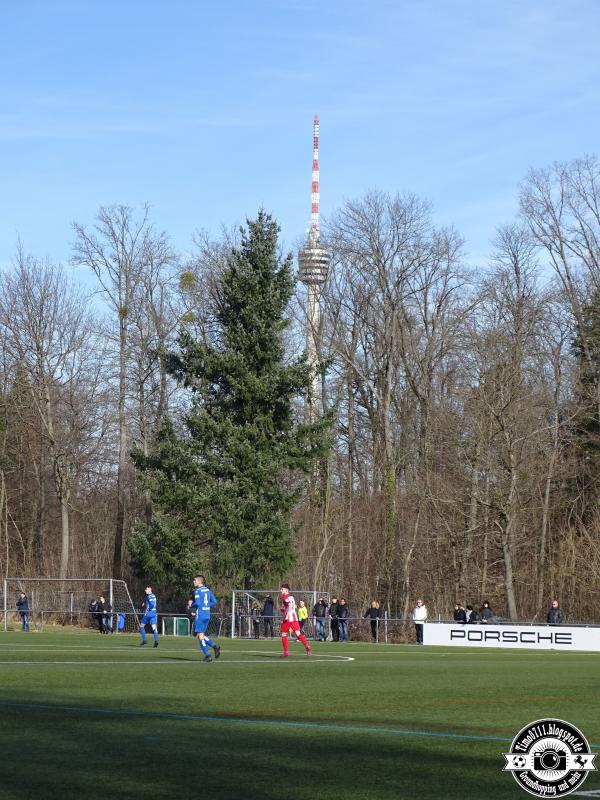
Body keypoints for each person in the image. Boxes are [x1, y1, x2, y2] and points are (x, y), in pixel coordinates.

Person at [188, 575, 220, 662]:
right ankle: (215, 647)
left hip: (201, 615)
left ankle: (208, 655)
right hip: (207, 614)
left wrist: (191, 605)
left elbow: (197, 603)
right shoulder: (208, 590)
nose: (193, 582)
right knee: (201, 634)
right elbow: (214, 601)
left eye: (194, 580)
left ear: (199, 581)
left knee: (200, 635)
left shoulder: (197, 591)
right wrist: (206, 606)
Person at [279, 583, 311, 658]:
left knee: (284, 634)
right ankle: (307, 646)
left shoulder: (285, 597)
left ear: (286, 590)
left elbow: (290, 605)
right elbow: (294, 606)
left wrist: (287, 615)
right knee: (298, 633)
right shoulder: (291, 596)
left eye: (282, 589)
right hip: (294, 618)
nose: (281, 590)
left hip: (288, 619)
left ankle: (286, 652)